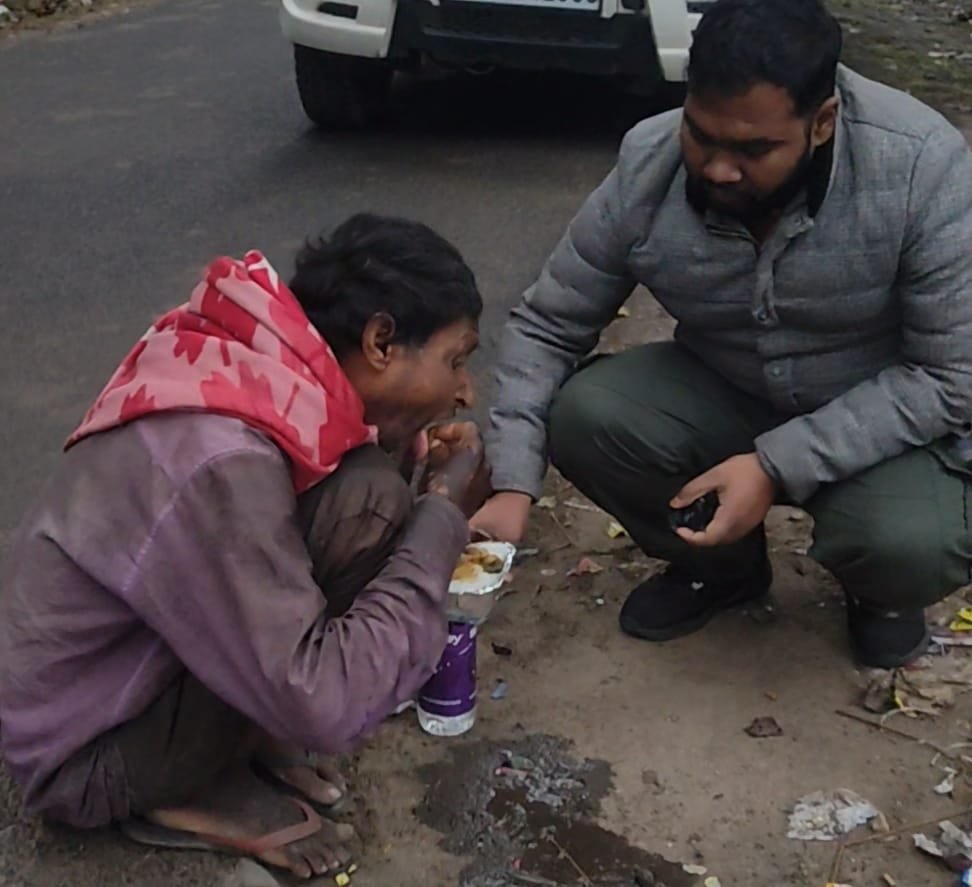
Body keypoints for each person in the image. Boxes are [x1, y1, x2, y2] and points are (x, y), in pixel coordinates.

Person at [473, 0, 972, 669]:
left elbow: (951, 375)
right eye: (701, 135)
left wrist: (775, 465)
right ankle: (720, 567)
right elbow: (547, 324)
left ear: (823, 122)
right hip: (729, 388)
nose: (717, 169)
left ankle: (878, 595)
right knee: (587, 414)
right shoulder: (648, 165)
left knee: (908, 542)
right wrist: (511, 483)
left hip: (877, 416)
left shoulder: (920, 167)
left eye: (753, 150)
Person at [0, 214, 489, 879]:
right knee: (376, 519)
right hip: (83, 756)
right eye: (456, 360)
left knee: (370, 490)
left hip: (135, 673)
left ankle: (239, 739)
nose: (465, 391)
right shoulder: (222, 457)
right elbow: (329, 707)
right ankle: (183, 786)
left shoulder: (261, 372)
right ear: (380, 341)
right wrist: (442, 517)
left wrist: (411, 459)